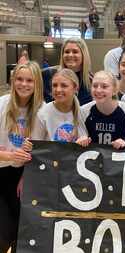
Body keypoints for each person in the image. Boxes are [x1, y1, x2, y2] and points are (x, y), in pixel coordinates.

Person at [0, 62, 44, 253]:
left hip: (25, 177)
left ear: (37, 84)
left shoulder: (43, 109)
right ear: (12, 80)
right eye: (19, 79)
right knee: (2, 234)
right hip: (2, 172)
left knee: (23, 235)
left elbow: (45, 152)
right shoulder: (2, 104)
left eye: (29, 80)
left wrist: (27, 176)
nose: (23, 84)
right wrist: (9, 154)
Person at [79, 71, 125, 149]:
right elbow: (81, 139)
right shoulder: (83, 111)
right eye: (95, 86)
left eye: (104, 86)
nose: (98, 90)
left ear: (115, 90)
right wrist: (81, 140)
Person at [32, 68, 87, 142]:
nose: (58, 90)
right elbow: (36, 147)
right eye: (54, 85)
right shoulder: (42, 114)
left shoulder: (84, 113)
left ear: (75, 88)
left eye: (64, 85)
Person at [42, 37, 93, 105]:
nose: (70, 55)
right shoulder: (47, 75)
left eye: (75, 52)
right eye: (67, 52)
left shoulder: (92, 81)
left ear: (83, 55)